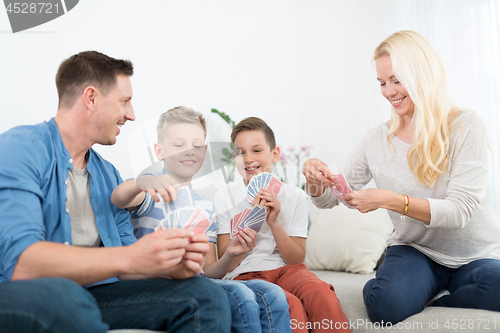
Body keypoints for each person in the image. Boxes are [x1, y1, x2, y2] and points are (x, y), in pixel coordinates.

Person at [0, 51, 231, 333]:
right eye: (124, 101)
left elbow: (122, 262)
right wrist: (131, 257)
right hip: (27, 293)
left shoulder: (108, 174)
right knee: (66, 298)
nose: (131, 115)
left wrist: (168, 268)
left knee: (205, 295)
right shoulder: (20, 147)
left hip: (94, 294)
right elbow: (22, 264)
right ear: (91, 98)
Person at [302, 30, 500, 325]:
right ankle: (408, 284)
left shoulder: (466, 126)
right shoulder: (377, 139)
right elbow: (332, 198)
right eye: (382, 82)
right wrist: (315, 179)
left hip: (475, 256)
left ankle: (437, 296)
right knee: (387, 305)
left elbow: (460, 211)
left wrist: (392, 201)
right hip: (416, 251)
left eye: (397, 80)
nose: (388, 91)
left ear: (422, 76)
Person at [111, 106, 292, 333]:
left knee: (272, 293)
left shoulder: (205, 205)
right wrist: (142, 182)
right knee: (241, 294)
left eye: (196, 145)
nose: (188, 151)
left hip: (198, 280)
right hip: (159, 284)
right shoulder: (149, 194)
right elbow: (118, 198)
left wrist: (231, 254)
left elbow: (210, 271)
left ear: (204, 151)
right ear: (159, 151)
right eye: (178, 145)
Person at [214, 117, 351, 333]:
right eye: (241, 152)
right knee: (290, 305)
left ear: (274, 154)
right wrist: (253, 223)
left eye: (257, 150)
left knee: (321, 292)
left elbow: (296, 258)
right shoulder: (225, 196)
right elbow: (225, 262)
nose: (249, 159)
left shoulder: (294, 195)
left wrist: (274, 222)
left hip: (287, 269)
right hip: (246, 273)